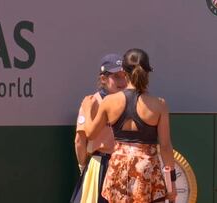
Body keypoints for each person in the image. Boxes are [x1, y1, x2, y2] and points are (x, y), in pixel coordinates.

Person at [82, 48, 177, 202]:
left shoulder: (109, 102)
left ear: (124, 72)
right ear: (147, 73)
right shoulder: (159, 104)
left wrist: (87, 110)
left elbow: (90, 134)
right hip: (147, 173)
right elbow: (165, 147)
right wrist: (171, 184)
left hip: (117, 171)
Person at [70, 53, 127, 203]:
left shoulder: (129, 101)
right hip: (101, 167)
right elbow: (79, 141)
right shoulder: (91, 102)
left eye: (124, 76)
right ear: (103, 78)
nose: (122, 81)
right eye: (117, 77)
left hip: (125, 166)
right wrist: (83, 166)